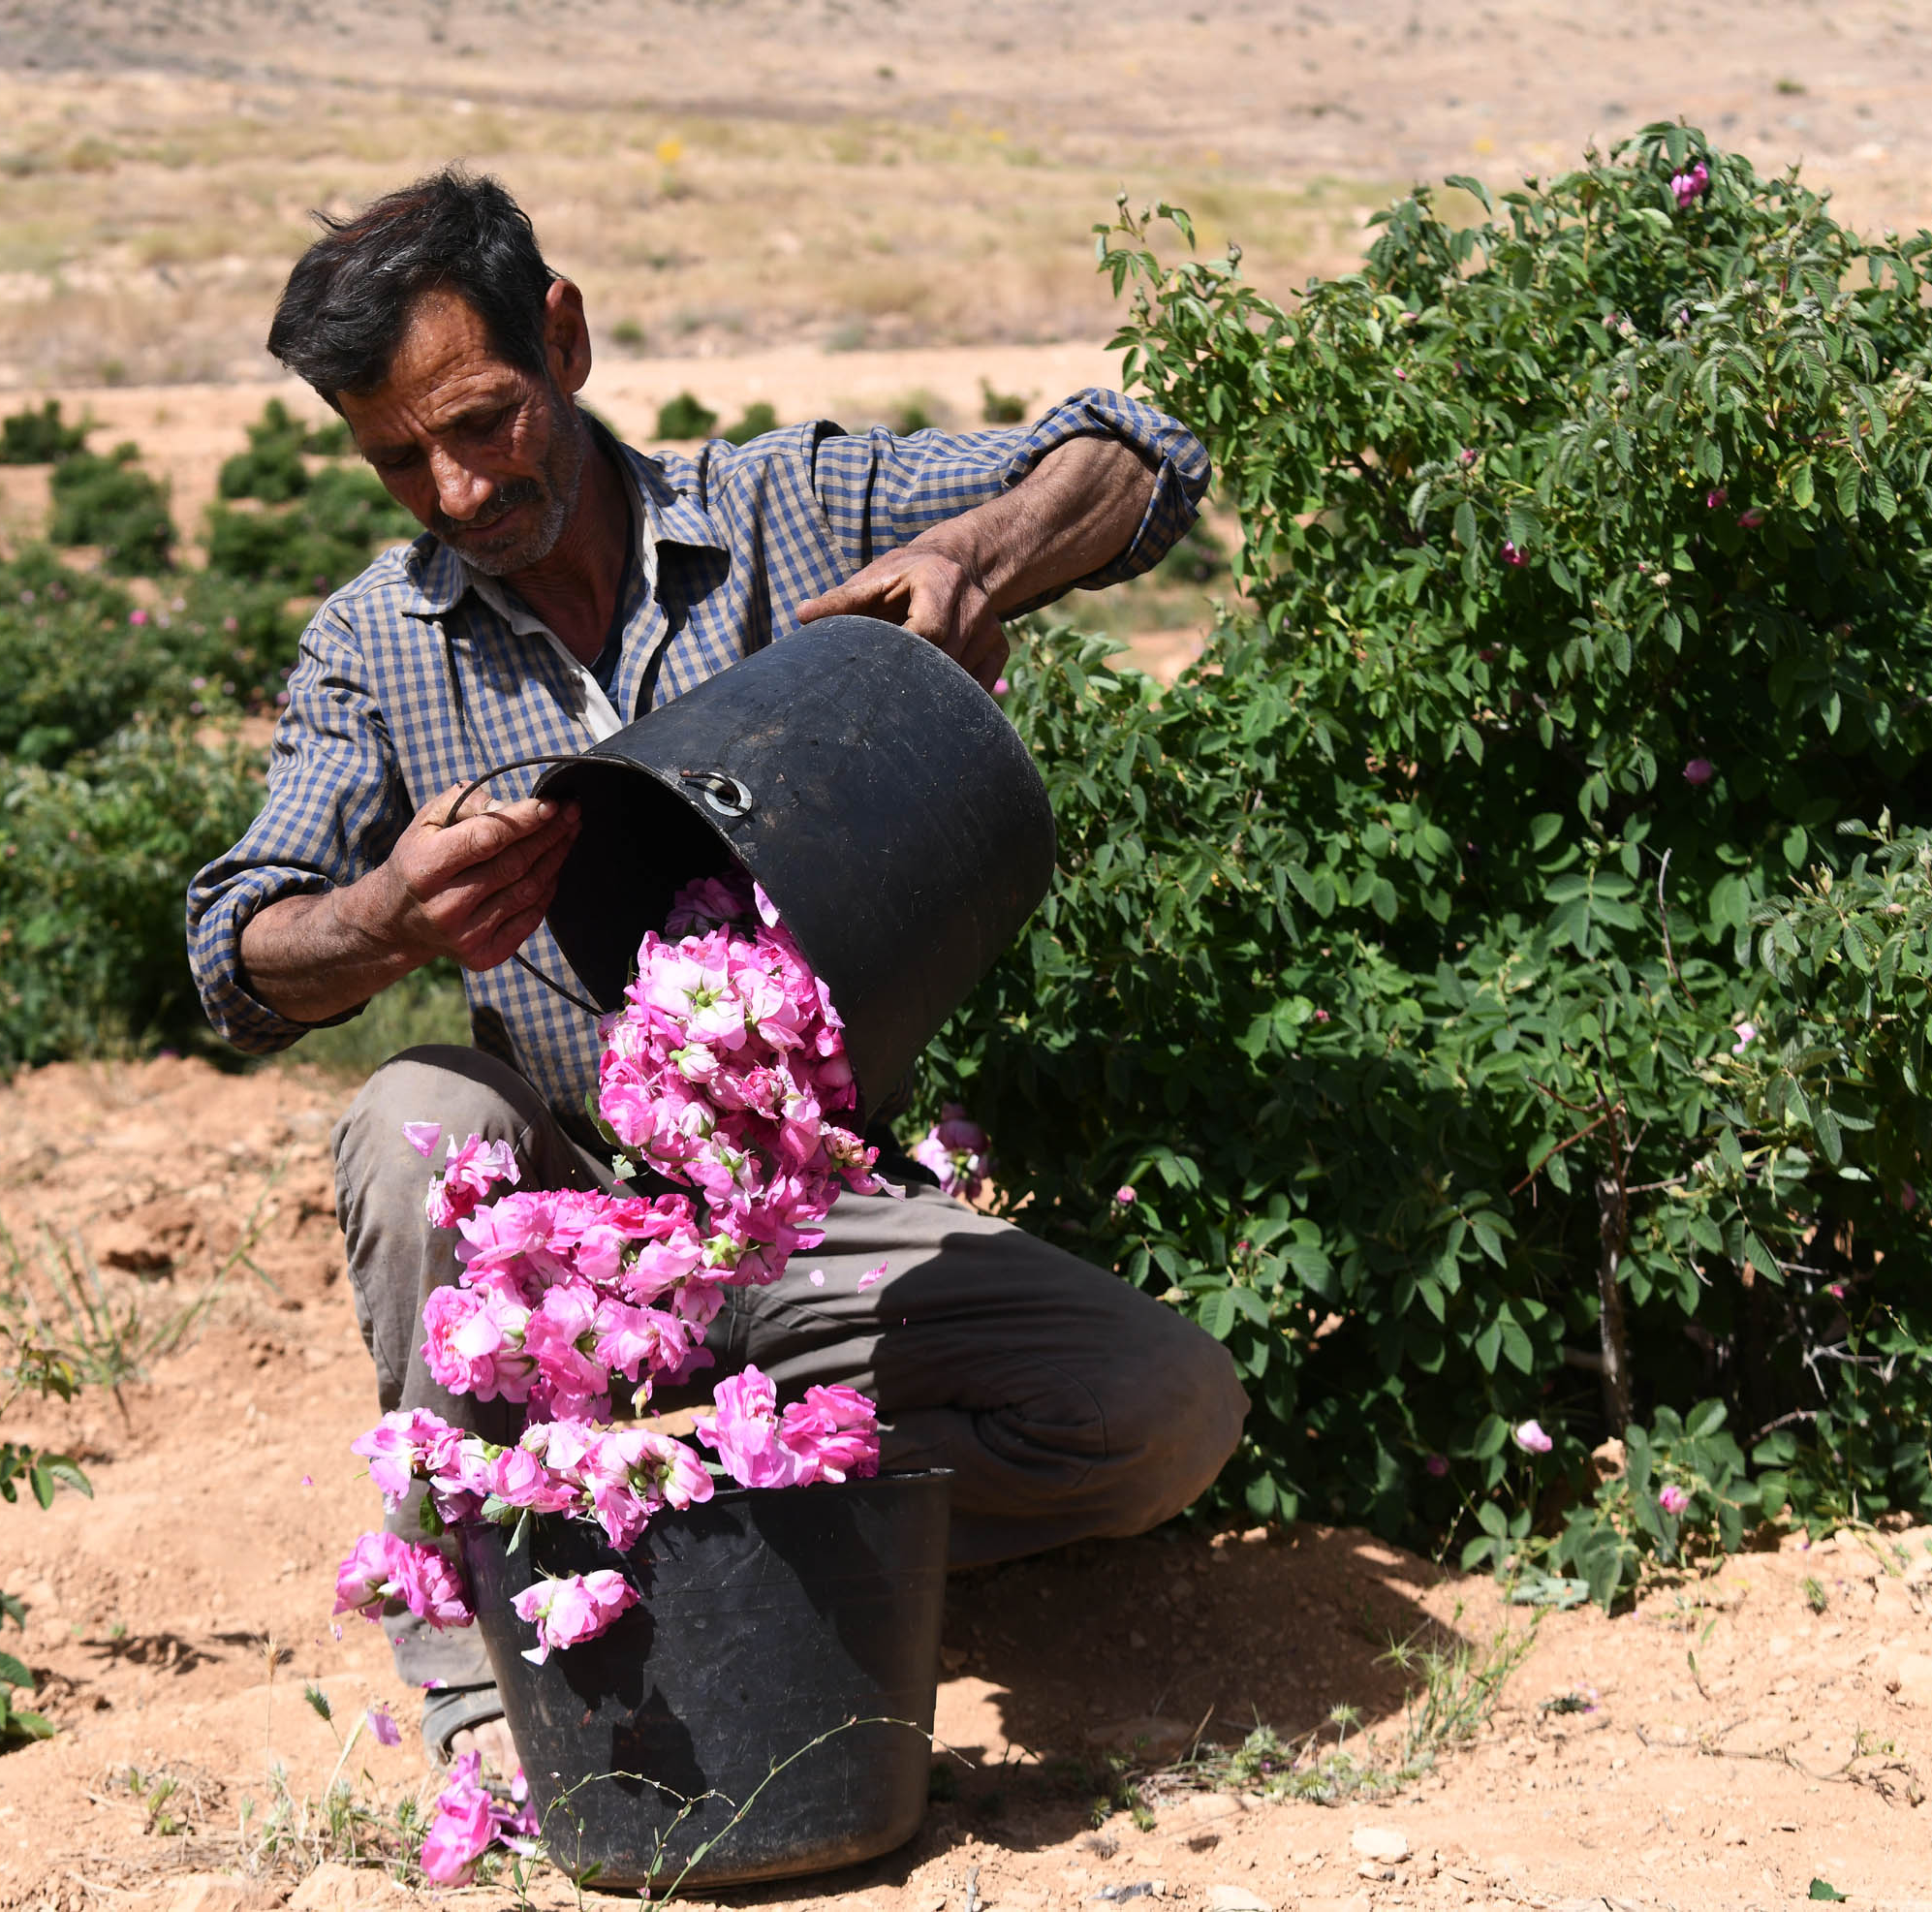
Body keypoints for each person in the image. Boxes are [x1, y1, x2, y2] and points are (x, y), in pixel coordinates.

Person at [186, 169, 1248, 1772]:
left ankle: (711, 1521)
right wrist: (387, 918)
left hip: (809, 1209)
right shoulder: (371, 644)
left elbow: (1138, 456)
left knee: (1160, 1412)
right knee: (413, 1112)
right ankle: (486, 1663)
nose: (458, 490)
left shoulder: (784, 508)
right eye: (400, 457)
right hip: (558, 1244)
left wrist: (977, 556)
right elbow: (237, 948)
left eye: (483, 421)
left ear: (566, 338)